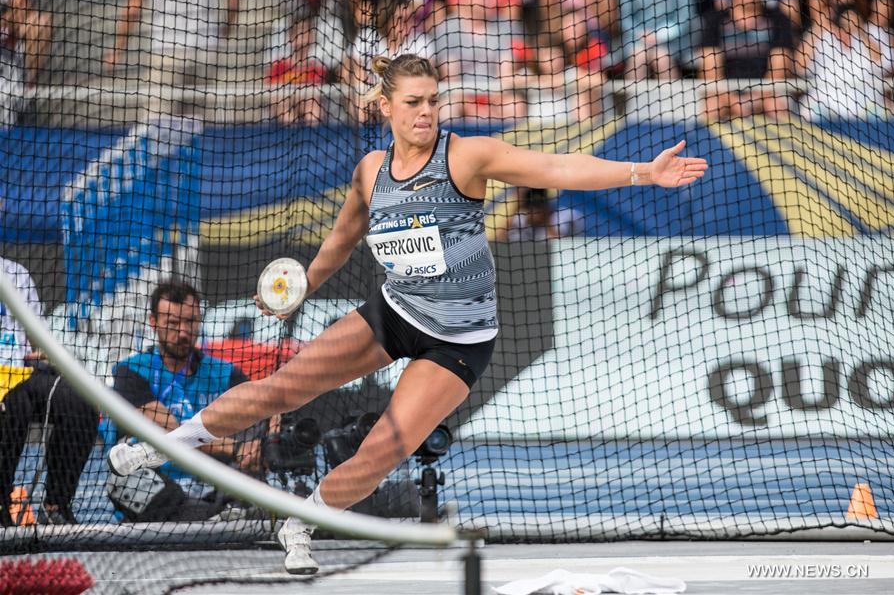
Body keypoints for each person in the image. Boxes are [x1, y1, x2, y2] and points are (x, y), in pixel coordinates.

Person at [108, 54, 707, 574]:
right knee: (280, 389)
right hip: (392, 313)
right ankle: (159, 447)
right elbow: (340, 243)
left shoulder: (466, 157)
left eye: (434, 102)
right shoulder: (371, 171)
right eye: (414, 103)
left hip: (459, 340)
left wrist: (643, 173)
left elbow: (554, 168)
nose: (427, 113)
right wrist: (297, 288)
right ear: (387, 107)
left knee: (386, 448)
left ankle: (304, 521)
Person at [108, 281, 264, 522]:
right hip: (158, 486)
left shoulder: (224, 372)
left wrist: (258, 443)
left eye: (190, 322)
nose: (182, 332)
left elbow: (265, 405)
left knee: (258, 464)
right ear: (153, 322)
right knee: (125, 479)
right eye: (172, 324)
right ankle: (219, 516)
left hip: (214, 482)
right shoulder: (130, 372)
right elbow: (176, 434)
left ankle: (217, 514)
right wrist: (236, 449)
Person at [0, 256, 97, 526]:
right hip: (9, 390)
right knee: (14, 405)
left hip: (19, 370)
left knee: (81, 400)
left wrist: (53, 359)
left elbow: (38, 340)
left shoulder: (14, 273)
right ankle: (2, 504)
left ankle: (55, 505)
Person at [104, 0, 239, 120]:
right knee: (191, 127)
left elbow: (134, 4)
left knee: (156, 125)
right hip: (206, 50)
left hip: (167, 50)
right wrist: (225, 32)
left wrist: (117, 50)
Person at [699, 0, 795, 121]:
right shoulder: (715, 20)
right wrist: (734, 102)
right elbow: (711, 74)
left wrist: (751, 100)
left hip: (766, 93)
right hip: (724, 93)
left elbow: (778, 71)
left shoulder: (778, 18)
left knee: (776, 108)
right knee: (711, 108)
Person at [0, 0, 51, 126]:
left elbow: (22, 12)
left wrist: (12, 20)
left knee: (41, 23)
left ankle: (27, 86)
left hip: (14, 71)